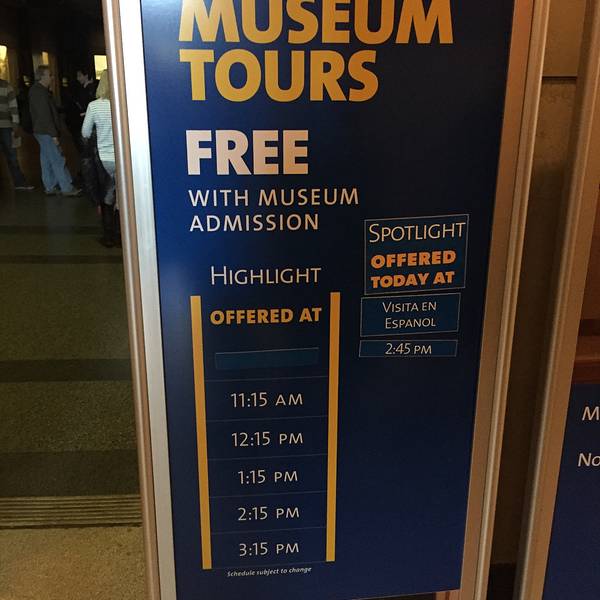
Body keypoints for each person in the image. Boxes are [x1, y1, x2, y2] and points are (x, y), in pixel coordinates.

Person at [28, 65, 80, 196]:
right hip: (45, 131)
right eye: (49, 75)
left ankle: (50, 186)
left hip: (40, 130)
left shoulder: (37, 91)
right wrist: (53, 134)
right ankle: (66, 187)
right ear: (42, 76)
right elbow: (45, 115)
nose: (52, 77)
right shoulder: (40, 92)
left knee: (46, 159)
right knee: (57, 158)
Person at [81, 70, 118, 247]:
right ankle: (124, 234)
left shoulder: (94, 106)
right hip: (123, 159)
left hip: (103, 159)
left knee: (106, 198)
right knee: (122, 197)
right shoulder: (122, 104)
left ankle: (109, 236)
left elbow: (85, 132)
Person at [0, 78, 34, 191]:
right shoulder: (6, 85)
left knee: (12, 156)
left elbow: (13, 106)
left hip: (6, 126)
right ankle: (19, 182)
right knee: (11, 156)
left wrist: (15, 124)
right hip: (6, 126)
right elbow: (13, 106)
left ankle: (19, 182)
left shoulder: (6, 85)